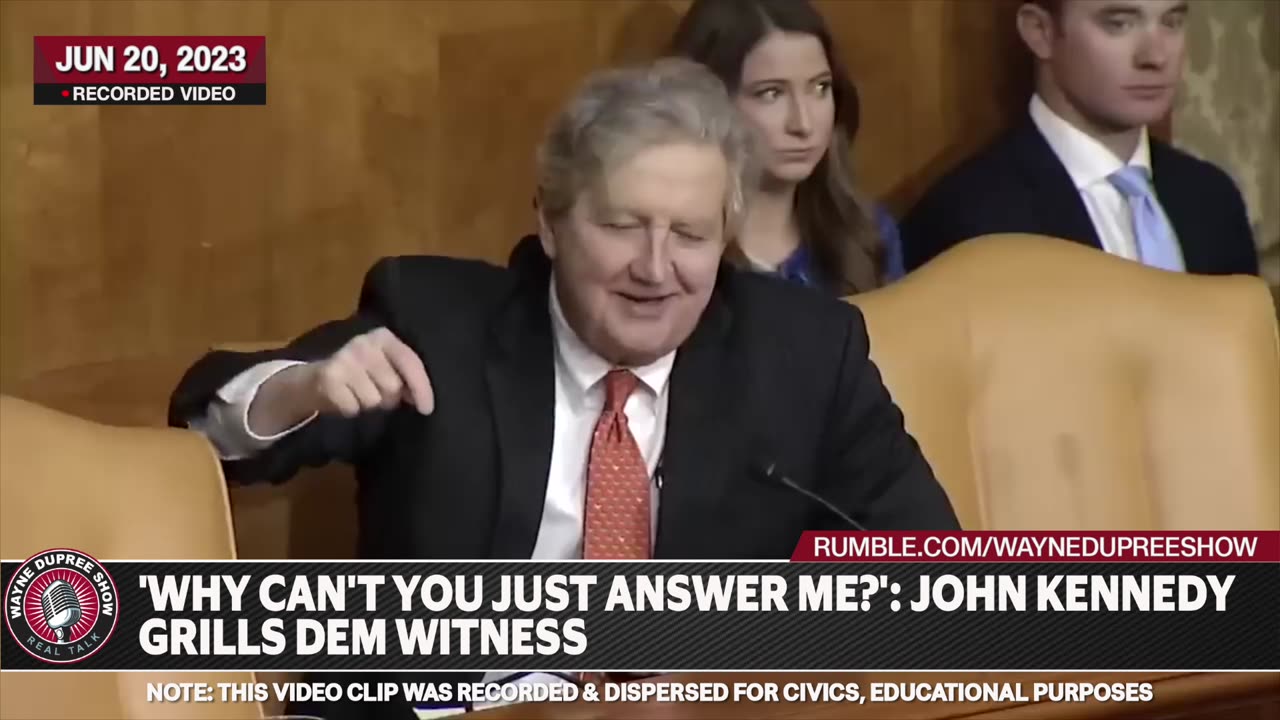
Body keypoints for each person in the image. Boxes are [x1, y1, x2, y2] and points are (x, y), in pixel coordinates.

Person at [170, 57, 958, 719]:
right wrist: (299, 390)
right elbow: (207, 432)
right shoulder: (437, 325)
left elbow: (932, 570)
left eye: (690, 235)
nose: (656, 268)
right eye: (622, 226)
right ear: (550, 222)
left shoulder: (805, 353)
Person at [899, 0, 1258, 276]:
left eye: (1172, 22)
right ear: (1040, 32)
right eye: (1119, 24)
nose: (1156, 56)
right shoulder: (970, 218)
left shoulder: (1213, 199)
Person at [670, 0, 905, 294]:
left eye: (820, 87)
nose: (803, 124)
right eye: (771, 94)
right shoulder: (671, 251)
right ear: (710, 102)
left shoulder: (867, 233)